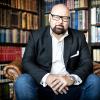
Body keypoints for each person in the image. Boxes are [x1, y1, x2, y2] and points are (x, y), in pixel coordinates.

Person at [14, 4, 100, 100]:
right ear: (50, 18)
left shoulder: (79, 37)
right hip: (42, 86)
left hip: (70, 87)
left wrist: (71, 78)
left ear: (69, 20)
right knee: (22, 81)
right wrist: (47, 78)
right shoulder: (36, 36)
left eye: (65, 18)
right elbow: (27, 62)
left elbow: (87, 63)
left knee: (94, 81)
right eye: (56, 17)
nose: (60, 22)